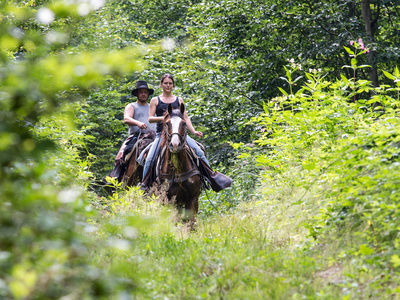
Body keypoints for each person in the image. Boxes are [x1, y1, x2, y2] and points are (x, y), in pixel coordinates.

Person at [139, 74, 210, 190]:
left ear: (173, 85)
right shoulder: (155, 100)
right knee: (149, 158)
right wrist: (167, 119)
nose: (168, 85)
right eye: (165, 83)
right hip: (161, 134)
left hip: (180, 135)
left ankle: (210, 177)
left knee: (199, 151)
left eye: (170, 83)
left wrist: (193, 131)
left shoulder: (179, 100)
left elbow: (185, 118)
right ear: (161, 85)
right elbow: (150, 118)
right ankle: (144, 184)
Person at [109, 80, 156, 181]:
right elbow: (127, 118)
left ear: (148, 94)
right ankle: (115, 177)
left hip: (154, 136)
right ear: (137, 94)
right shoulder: (131, 106)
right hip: (137, 136)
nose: (143, 94)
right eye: (141, 92)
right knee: (122, 155)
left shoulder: (152, 107)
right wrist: (138, 123)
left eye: (145, 92)